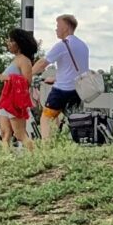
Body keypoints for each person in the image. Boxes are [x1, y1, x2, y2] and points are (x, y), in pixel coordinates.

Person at [33, 14, 88, 144]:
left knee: (46, 118)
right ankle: (58, 142)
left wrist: (27, 74)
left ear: (66, 27)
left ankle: (46, 148)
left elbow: (42, 63)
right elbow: (75, 70)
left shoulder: (62, 45)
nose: (56, 29)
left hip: (63, 90)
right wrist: (56, 78)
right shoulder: (83, 46)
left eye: (58, 26)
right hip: (78, 90)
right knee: (58, 117)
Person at [0, 28, 37, 150]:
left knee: (20, 134)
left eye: (11, 41)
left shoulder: (24, 61)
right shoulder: (15, 60)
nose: (8, 43)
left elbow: (27, 82)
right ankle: (5, 158)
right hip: (6, 101)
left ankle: (35, 155)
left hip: (15, 102)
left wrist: (8, 78)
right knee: (5, 133)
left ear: (19, 43)